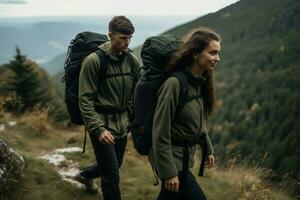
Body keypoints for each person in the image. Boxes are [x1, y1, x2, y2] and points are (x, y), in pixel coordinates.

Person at [148, 27, 221, 200]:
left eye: (218, 53)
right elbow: (160, 131)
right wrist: (169, 172)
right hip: (171, 159)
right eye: (212, 53)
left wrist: (207, 148)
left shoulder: (200, 82)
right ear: (196, 54)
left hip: (183, 158)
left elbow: (198, 121)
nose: (217, 58)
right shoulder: (174, 84)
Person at [75, 16, 140, 200]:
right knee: (111, 176)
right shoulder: (94, 61)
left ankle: (85, 175)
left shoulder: (132, 61)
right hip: (101, 126)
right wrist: (98, 129)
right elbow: (85, 100)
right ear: (110, 35)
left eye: (130, 38)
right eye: (122, 38)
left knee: (115, 164)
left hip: (122, 124)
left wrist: (134, 121)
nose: (127, 42)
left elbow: (135, 94)